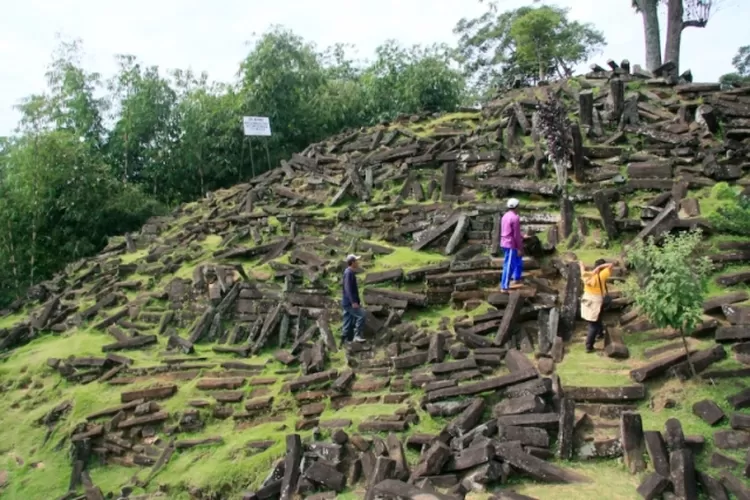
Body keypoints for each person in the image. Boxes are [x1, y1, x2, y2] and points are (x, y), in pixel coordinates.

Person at [580, 259, 614, 353]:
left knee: (596, 318)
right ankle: (589, 346)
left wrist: (582, 265)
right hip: (596, 301)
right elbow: (611, 265)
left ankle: (600, 333)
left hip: (586, 300)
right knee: (593, 324)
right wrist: (600, 267)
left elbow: (582, 269)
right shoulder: (601, 275)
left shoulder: (586, 275)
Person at [499, 198, 524, 292]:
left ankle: (517, 278)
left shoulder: (505, 216)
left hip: (505, 241)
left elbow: (511, 230)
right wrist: (519, 248)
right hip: (510, 244)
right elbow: (516, 235)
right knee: (508, 265)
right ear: (517, 206)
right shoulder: (515, 217)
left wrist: (522, 235)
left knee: (517, 260)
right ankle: (504, 286)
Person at [341, 254, 366, 344]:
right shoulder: (348, 273)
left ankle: (344, 341)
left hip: (347, 302)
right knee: (362, 315)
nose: (358, 262)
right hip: (349, 302)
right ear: (352, 262)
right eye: (356, 261)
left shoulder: (349, 272)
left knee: (348, 321)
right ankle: (357, 336)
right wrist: (353, 302)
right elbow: (348, 289)